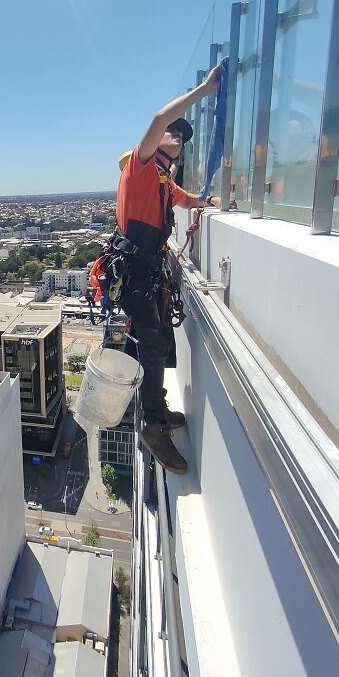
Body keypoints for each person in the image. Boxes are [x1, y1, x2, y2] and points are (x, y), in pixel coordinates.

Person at [117, 65, 222, 474]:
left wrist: (212, 203)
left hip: (145, 272)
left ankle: (157, 410)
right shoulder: (140, 167)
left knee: (157, 341)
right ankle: (153, 426)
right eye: (173, 132)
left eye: (183, 135)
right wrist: (205, 90)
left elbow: (188, 199)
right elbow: (158, 118)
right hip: (134, 272)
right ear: (153, 141)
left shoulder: (163, 180)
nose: (177, 136)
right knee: (154, 346)